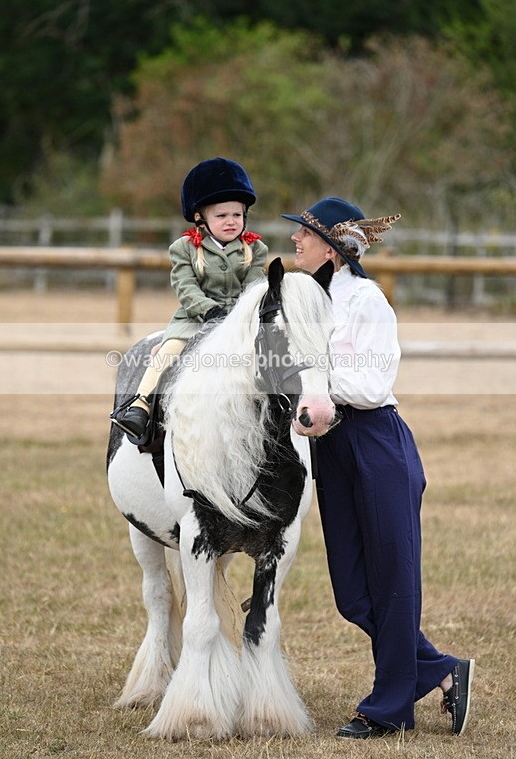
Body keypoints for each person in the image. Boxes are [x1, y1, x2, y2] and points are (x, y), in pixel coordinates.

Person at [282, 197, 474, 739]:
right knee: (351, 592)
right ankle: (439, 670)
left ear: (333, 248)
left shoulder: (366, 300)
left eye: (304, 234)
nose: (296, 240)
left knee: (393, 582)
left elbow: (370, 386)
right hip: (332, 448)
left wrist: (314, 384)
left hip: (376, 443)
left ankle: (388, 708)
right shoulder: (309, 300)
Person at [113, 157, 268, 439]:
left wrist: (238, 315)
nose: (231, 221)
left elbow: (255, 286)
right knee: (167, 352)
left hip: (240, 321)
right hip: (194, 319)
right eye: (221, 216)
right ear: (201, 218)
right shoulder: (183, 248)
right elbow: (185, 288)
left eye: (237, 215)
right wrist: (209, 310)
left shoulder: (255, 249)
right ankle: (140, 406)